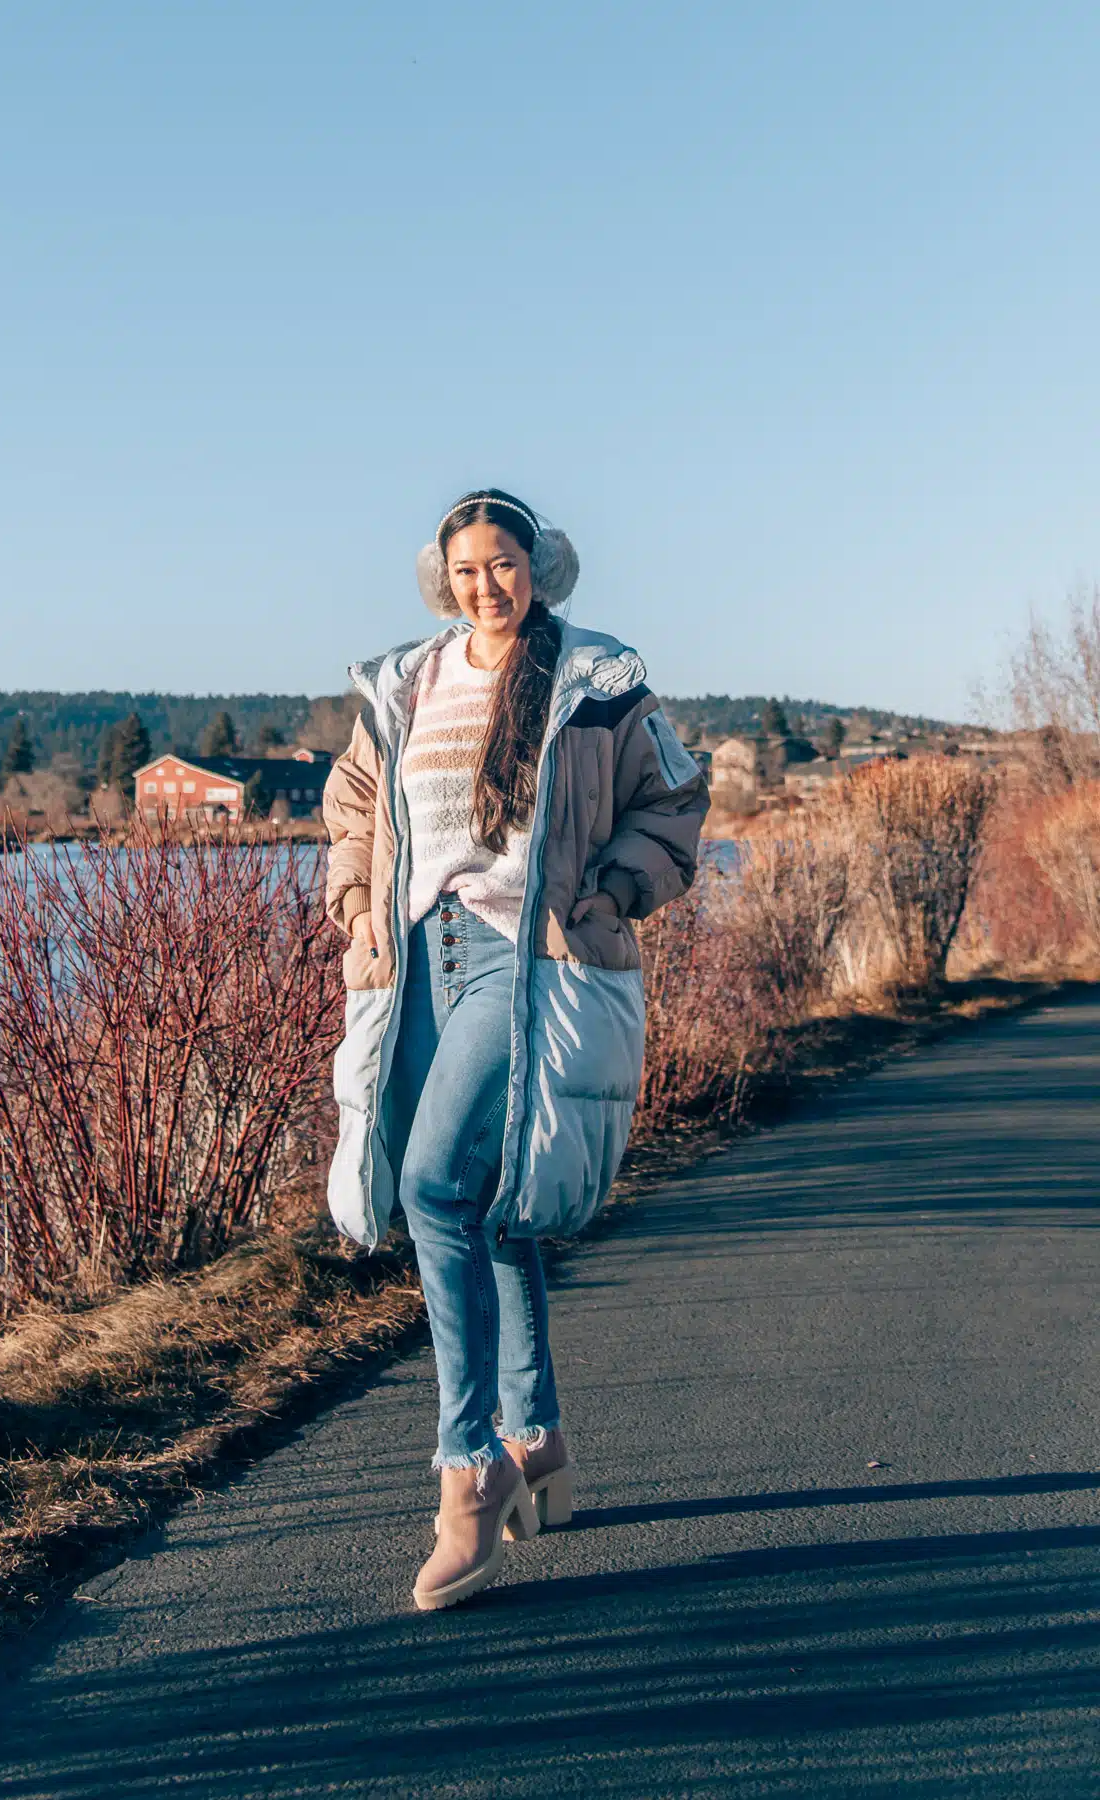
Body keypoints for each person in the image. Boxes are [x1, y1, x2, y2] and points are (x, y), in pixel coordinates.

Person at [323, 488, 708, 1611]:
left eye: (505, 563)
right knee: (488, 1204)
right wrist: (354, 903)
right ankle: (537, 1440)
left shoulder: (597, 680)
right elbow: (355, 804)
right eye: (467, 568)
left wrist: (613, 891)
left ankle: (469, 1470)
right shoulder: (406, 682)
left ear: (540, 567)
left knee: (434, 1185)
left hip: (523, 955)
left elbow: (674, 800)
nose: (486, 584)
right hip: (420, 958)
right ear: (441, 579)